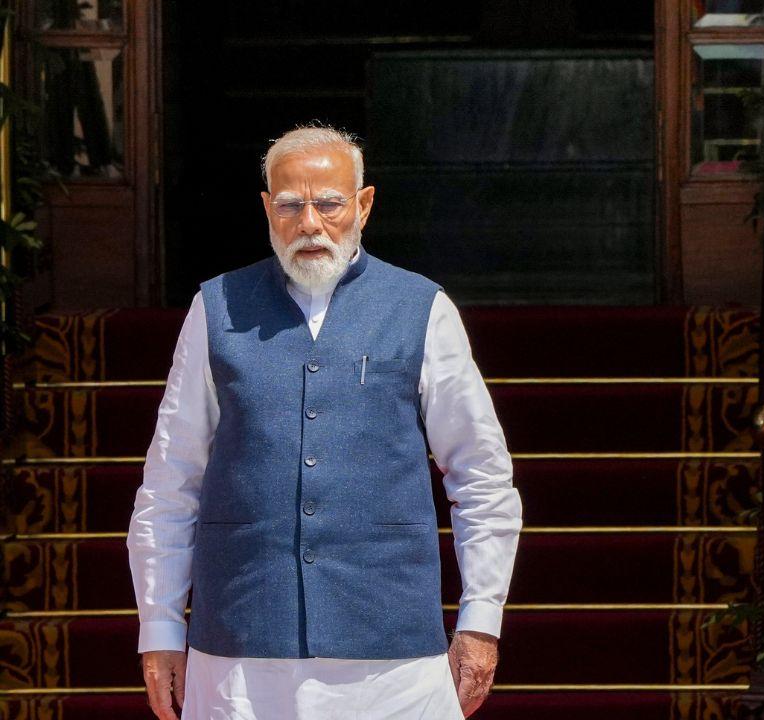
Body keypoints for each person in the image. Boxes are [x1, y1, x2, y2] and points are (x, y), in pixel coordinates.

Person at [125, 123, 522, 719]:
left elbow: (482, 477)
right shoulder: (216, 308)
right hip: (241, 652)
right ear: (266, 208)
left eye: (329, 203)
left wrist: (481, 619)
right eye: (290, 205)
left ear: (363, 205)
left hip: (392, 659)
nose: (309, 222)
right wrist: (158, 626)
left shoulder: (422, 308)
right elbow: (170, 481)